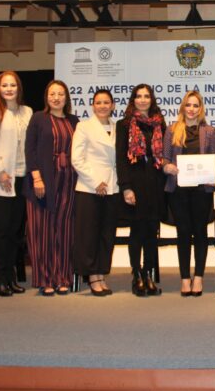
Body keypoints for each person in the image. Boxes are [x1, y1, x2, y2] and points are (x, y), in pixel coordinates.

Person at [0, 71, 33, 297]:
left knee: (14, 232)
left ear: (19, 88)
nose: (9, 89)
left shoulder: (27, 111)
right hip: (0, 179)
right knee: (0, 232)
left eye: (13, 85)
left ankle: (10, 278)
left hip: (21, 177)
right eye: (4, 85)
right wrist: (1, 172)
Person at [24, 80, 78, 296]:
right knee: (42, 231)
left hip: (68, 182)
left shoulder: (74, 121)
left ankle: (63, 277)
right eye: (52, 94)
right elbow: (29, 150)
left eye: (60, 94)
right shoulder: (38, 118)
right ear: (46, 97)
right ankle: (45, 279)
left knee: (65, 231)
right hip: (43, 181)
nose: (56, 98)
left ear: (67, 97)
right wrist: (37, 178)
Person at [163, 91, 215, 297]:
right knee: (183, 233)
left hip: (202, 190)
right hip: (179, 191)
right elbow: (165, 158)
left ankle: (199, 277)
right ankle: (185, 278)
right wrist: (167, 167)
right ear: (183, 107)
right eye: (188, 105)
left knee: (201, 233)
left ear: (200, 108)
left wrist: (212, 171)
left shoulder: (209, 131)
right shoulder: (172, 130)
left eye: (195, 105)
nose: (192, 109)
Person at [115, 84, 166, 297]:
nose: (143, 100)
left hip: (155, 184)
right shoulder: (124, 124)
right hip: (134, 184)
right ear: (133, 100)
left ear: (151, 99)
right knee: (137, 231)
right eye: (139, 96)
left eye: (146, 96)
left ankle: (148, 274)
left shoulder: (159, 124)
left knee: (152, 232)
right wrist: (126, 187)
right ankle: (136, 275)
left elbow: (164, 155)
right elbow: (121, 159)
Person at [72, 89, 119, 297]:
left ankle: (101, 273)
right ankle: (92, 275)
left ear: (113, 105)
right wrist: (94, 181)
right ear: (92, 105)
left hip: (112, 187)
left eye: (106, 102)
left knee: (106, 234)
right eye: (98, 102)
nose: (102, 106)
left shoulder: (117, 127)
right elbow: (76, 159)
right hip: (90, 188)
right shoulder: (84, 127)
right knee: (89, 234)